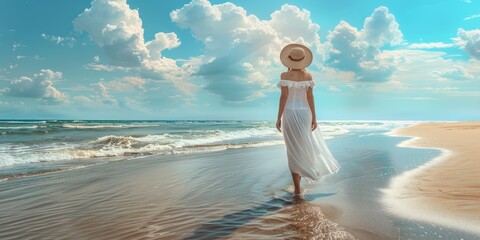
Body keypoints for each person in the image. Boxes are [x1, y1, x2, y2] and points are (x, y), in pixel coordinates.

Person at [276, 43, 341, 195]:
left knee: (292, 149)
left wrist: (278, 117)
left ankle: (297, 189)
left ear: (289, 59)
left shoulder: (284, 76)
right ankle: (302, 178)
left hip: (290, 112)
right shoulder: (308, 76)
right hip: (305, 113)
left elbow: (284, 97)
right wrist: (314, 117)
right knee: (303, 145)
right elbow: (310, 97)